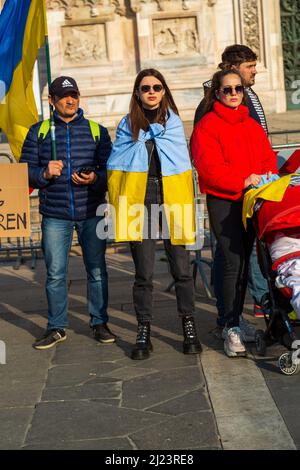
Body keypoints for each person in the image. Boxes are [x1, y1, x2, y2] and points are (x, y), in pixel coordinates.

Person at [107, 68, 202, 360]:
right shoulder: (127, 125)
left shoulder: (173, 124)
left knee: (182, 270)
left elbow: (181, 162)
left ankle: (189, 325)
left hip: (173, 198)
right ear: (137, 92)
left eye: (157, 87)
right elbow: (116, 163)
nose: (151, 91)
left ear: (164, 91)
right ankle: (143, 329)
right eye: (145, 87)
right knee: (143, 273)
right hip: (141, 200)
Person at [20, 76, 115, 349]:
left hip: (91, 211)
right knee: (55, 273)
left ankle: (99, 322)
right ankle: (56, 326)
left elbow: (110, 171)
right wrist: (43, 173)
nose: (70, 100)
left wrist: (94, 179)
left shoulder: (97, 131)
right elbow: (25, 171)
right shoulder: (37, 131)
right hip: (55, 213)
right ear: (51, 101)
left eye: (73, 94)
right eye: (63, 96)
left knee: (97, 271)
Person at [191, 69, 277, 357]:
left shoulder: (251, 124)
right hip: (225, 201)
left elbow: (268, 156)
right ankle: (229, 326)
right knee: (232, 263)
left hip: (253, 200)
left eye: (238, 89)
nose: (233, 94)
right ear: (217, 93)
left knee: (246, 265)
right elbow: (209, 168)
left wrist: (268, 177)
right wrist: (244, 179)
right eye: (227, 90)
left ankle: (237, 320)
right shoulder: (207, 125)